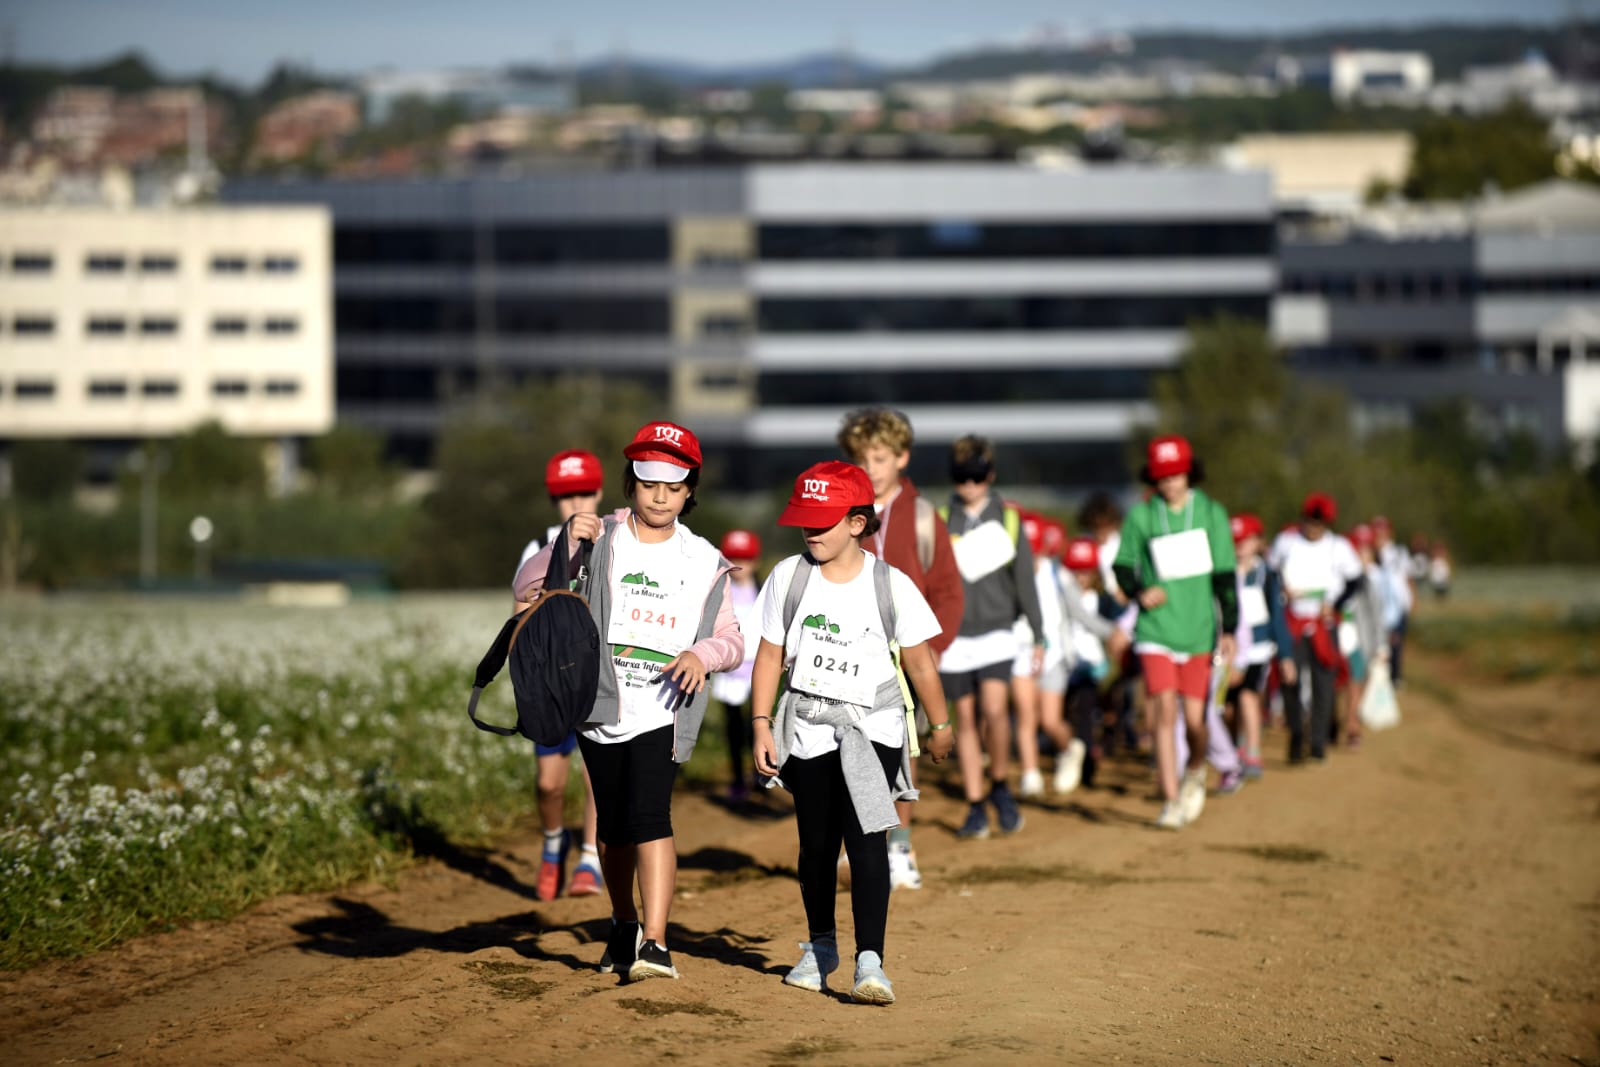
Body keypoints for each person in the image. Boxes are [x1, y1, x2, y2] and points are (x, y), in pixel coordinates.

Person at [514, 421, 744, 983]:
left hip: (664, 707)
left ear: (691, 490)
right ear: (630, 485)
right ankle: (622, 921)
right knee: (613, 828)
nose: (660, 495)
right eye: (648, 484)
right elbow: (524, 589)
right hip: (598, 706)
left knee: (649, 816)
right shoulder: (600, 537)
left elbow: (734, 641)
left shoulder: (704, 559)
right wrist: (567, 542)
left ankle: (657, 943)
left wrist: (703, 655)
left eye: (673, 485)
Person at [750, 461, 953, 1006]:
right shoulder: (788, 578)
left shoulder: (892, 585)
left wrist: (940, 725)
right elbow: (769, 656)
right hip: (807, 728)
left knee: (865, 844)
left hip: (874, 730)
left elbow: (921, 663)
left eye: (823, 522)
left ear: (858, 523)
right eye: (804, 522)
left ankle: (871, 961)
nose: (810, 532)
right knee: (815, 844)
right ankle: (821, 947)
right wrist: (761, 724)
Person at [836, 408, 964, 890]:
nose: (871, 466)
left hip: (910, 653)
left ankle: (901, 849)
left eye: (881, 456)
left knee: (901, 753)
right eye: (862, 457)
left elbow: (949, 590)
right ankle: (856, 845)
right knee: (847, 749)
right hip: (850, 652)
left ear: (902, 457)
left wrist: (933, 648)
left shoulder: (927, 516)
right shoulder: (842, 511)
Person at [1111, 436, 1238, 830]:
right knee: (1163, 711)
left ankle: (1196, 770)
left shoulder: (1211, 513)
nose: (1170, 484)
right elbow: (1123, 565)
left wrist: (1229, 628)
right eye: (1162, 477)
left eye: (1176, 475)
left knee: (1196, 721)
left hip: (1198, 631)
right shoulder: (1142, 516)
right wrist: (1137, 591)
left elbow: (1224, 576)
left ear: (1189, 473)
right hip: (1156, 630)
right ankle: (1169, 799)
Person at [938, 436, 1043, 839]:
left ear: (991, 475)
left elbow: (1025, 582)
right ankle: (975, 803)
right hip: (955, 638)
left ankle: (1000, 783)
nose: (970, 485)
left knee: (996, 711)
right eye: (962, 477)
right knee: (964, 718)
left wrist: (1038, 633)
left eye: (977, 476)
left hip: (999, 631)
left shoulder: (1010, 519)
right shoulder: (942, 520)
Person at [511, 449, 605, 901]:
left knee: (593, 775)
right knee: (550, 782)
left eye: (585, 492)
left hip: (594, 680)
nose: (577, 503)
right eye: (567, 496)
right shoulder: (539, 548)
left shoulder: (612, 541)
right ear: (555, 501)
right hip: (551, 683)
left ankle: (589, 857)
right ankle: (553, 844)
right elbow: (519, 610)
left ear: (600, 492)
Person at [1268, 493, 1365, 764]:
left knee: (1325, 683)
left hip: (1324, 623)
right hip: (1293, 621)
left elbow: (1356, 581)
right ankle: (1297, 732)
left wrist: (1334, 606)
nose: (1313, 528)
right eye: (1310, 522)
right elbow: (1271, 573)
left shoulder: (1340, 546)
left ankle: (1319, 741)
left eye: (1319, 524)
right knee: (1290, 680)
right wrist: (1281, 591)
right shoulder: (1286, 542)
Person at [1054, 535, 1128, 791]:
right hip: (1065, 664)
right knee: (1064, 713)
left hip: (1093, 666)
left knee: (1085, 713)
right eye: (1076, 571)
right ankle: (1069, 755)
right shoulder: (1059, 595)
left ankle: (1087, 765)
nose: (1081, 577)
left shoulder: (1104, 600)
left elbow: (1118, 629)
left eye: (1086, 571)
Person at [1225, 513, 1295, 780]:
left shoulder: (1266, 575)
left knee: (1248, 696)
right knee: (1227, 707)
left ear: (1258, 542)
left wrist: (1285, 655)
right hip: (1226, 651)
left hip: (1258, 649)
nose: (1240, 546)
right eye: (1235, 541)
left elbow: (1277, 617)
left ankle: (1253, 751)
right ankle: (1232, 749)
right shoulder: (1221, 574)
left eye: (1246, 540)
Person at [711, 529, 762, 800]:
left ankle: (760, 774)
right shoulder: (719, 591)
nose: (740, 566)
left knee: (757, 724)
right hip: (730, 670)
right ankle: (738, 778)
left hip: (758, 670)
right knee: (733, 727)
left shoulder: (764, 590)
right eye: (733, 558)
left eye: (746, 559)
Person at [1339, 524, 1388, 749]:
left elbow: (1377, 616)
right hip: (1338, 638)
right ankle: (1347, 723)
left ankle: (1352, 723)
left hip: (1361, 640)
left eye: (1366, 550)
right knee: (1346, 683)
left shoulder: (1370, 581)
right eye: (1359, 551)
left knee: (1357, 681)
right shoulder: (1339, 578)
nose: (1363, 556)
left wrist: (1382, 645)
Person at [1371, 516, 1414, 688]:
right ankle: (1382, 676)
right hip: (1379, 605)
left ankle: (1395, 675)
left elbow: (1408, 578)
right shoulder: (1371, 553)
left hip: (1399, 604)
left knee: (1396, 642)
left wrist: (1412, 600)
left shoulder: (1399, 552)